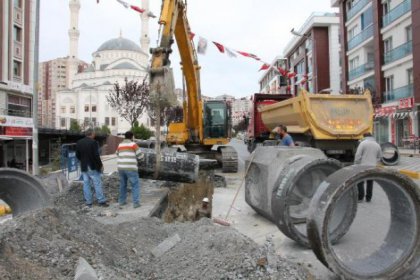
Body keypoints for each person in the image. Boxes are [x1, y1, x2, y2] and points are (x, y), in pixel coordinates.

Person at [76, 129, 108, 207]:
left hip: (83, 166)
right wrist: (100, 165)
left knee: (86, 184)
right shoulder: (93, 142)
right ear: (92, 134)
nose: (95, 135)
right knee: (97, 183)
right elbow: (96, 155)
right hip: (92, 166)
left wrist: (83, 161)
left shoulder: (79, 142)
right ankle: (101, 200)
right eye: (94, 134)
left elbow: (77, 155)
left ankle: (89, 202)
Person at [116, 131, 143, 208]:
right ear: (132, 137)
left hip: (121, 168)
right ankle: (136, 203)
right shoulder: (133, 144)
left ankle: (121, 201)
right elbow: (140, 156)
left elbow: (117, 154)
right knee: (135, 185)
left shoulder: (120, 145)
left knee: (123, 185)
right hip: (131, 168)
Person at [354, 132, 382, 202]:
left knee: (360, 181)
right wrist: (375, 162)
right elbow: (380, 157)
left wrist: (356, 163)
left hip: (362, 165)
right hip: (372, 166)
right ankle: (368, 198)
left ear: (364, 136)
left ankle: (360, 197)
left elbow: (358, 155)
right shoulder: (377, 144)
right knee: (370, 182)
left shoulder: (363, 143)